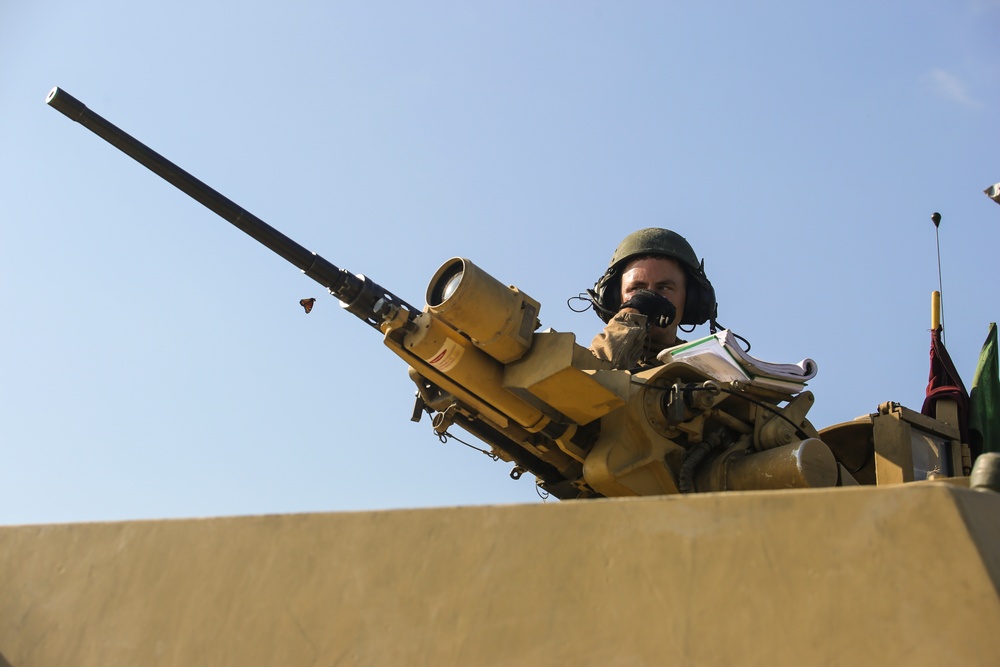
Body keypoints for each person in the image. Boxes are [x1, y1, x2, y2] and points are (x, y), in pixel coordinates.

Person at [588, 228, 717, 369]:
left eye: (664, 288)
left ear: (691, 299)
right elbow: (588, 381)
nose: (650, 298)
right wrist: (631, 315)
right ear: (614, 297)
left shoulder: (708, 372)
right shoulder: (585, 362)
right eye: (637, 289)